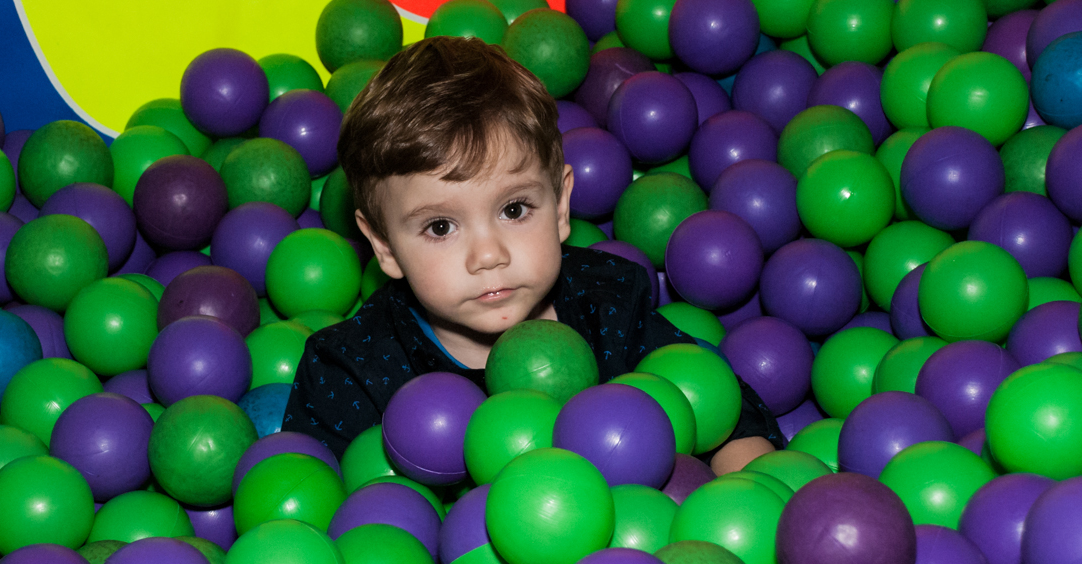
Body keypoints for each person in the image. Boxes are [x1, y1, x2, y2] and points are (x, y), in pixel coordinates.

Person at [281, 35, 781, 473]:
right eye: (440, 226)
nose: (489, 254)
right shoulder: (352, 373)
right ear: (384, 246)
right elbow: (314, 504)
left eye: (515, 209)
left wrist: (750, 497)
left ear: (561, 206)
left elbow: (721, 413)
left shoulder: (608, 306)